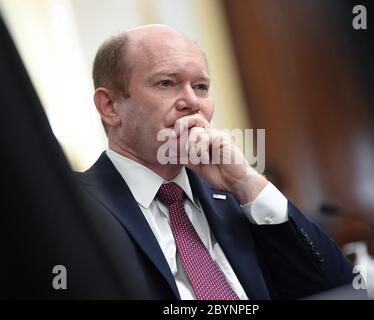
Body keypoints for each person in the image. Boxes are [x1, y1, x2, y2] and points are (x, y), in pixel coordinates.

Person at [76, 24, 356, 299]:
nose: (191, 101)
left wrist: (247, 182)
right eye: (166, 83)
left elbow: (342, 290)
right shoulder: (73, 208)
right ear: (110, 107)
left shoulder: (239, 199)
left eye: (200, 86)